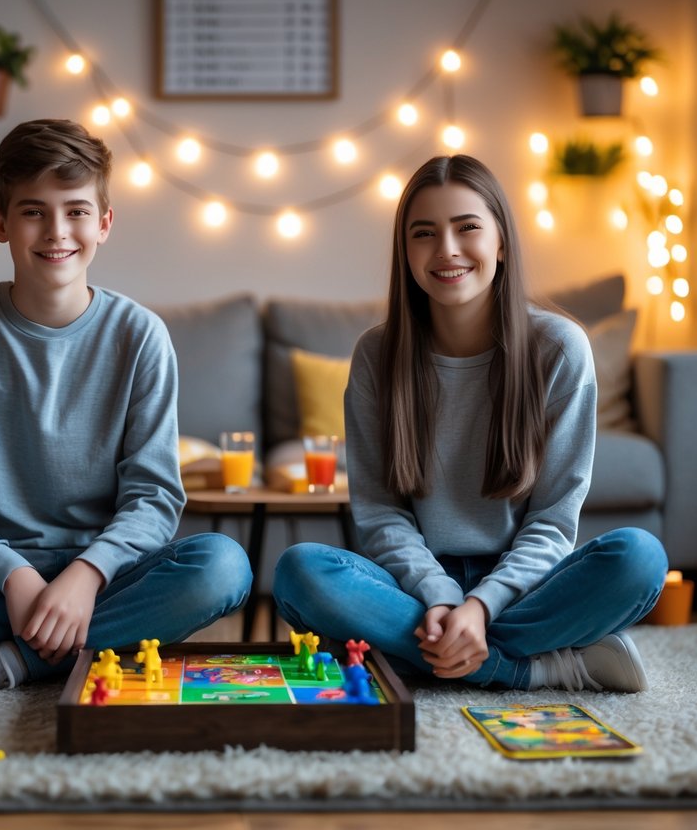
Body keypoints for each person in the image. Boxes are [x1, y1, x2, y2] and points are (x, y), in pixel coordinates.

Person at [0, 119, 251, 697]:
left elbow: (154, 498)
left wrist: (87, 576)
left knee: (223, 567)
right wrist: (13, 574)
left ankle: (1, 664)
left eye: (77, 211)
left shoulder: (141, 336)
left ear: (104, 223)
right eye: (34, 211)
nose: (57, 231)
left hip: (105, 575)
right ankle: (71, 643)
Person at [273, 154, 667, 693]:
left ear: (501, 242)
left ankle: (432, 653)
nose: (447, 250)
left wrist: (482, 605)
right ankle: (536, 667)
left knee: (640, 559)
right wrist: (441, 596)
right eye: (424, 233)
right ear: (405, 252)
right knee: (301, 573)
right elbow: (380, 514)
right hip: (415, 588)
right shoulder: (377, 355)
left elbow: (553, 521)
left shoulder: (560, 349)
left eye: (468, 228)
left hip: (524, 585)